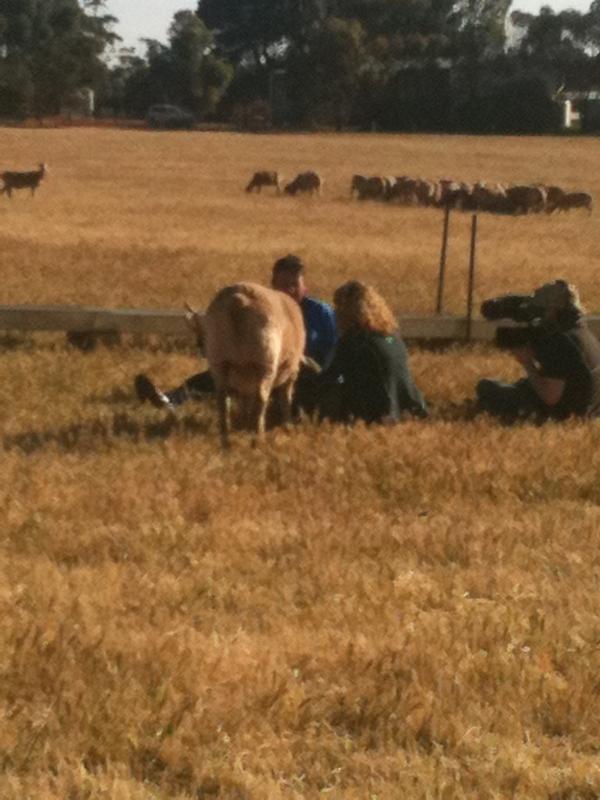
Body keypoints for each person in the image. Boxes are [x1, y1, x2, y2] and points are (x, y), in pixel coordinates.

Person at [134, 254, 337, 411]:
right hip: (262, 370)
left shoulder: (321, 313)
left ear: (305, 287)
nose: (289, 291)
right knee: (217, 377)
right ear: (273, 286)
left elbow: (332, 352)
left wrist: (308, 365)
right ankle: (170, 400)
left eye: (294, 285)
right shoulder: (263, 311)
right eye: (283, 285)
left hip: (302, 376)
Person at [476, 280, 600, 422]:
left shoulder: (561, 341)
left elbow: (550, 397)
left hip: (566, 413)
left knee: (486, 387)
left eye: (541, 309)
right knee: (521, 385)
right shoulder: (582, 331)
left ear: (553, 309)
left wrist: (527, 362)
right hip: (590, 411)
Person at [317, 280, 428, 424]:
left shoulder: (354, 340)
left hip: (374, 413)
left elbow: (337, 376)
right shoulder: (392, 338)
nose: (335, 312)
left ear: (348, 310)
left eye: (338, 307)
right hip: (404, 408)